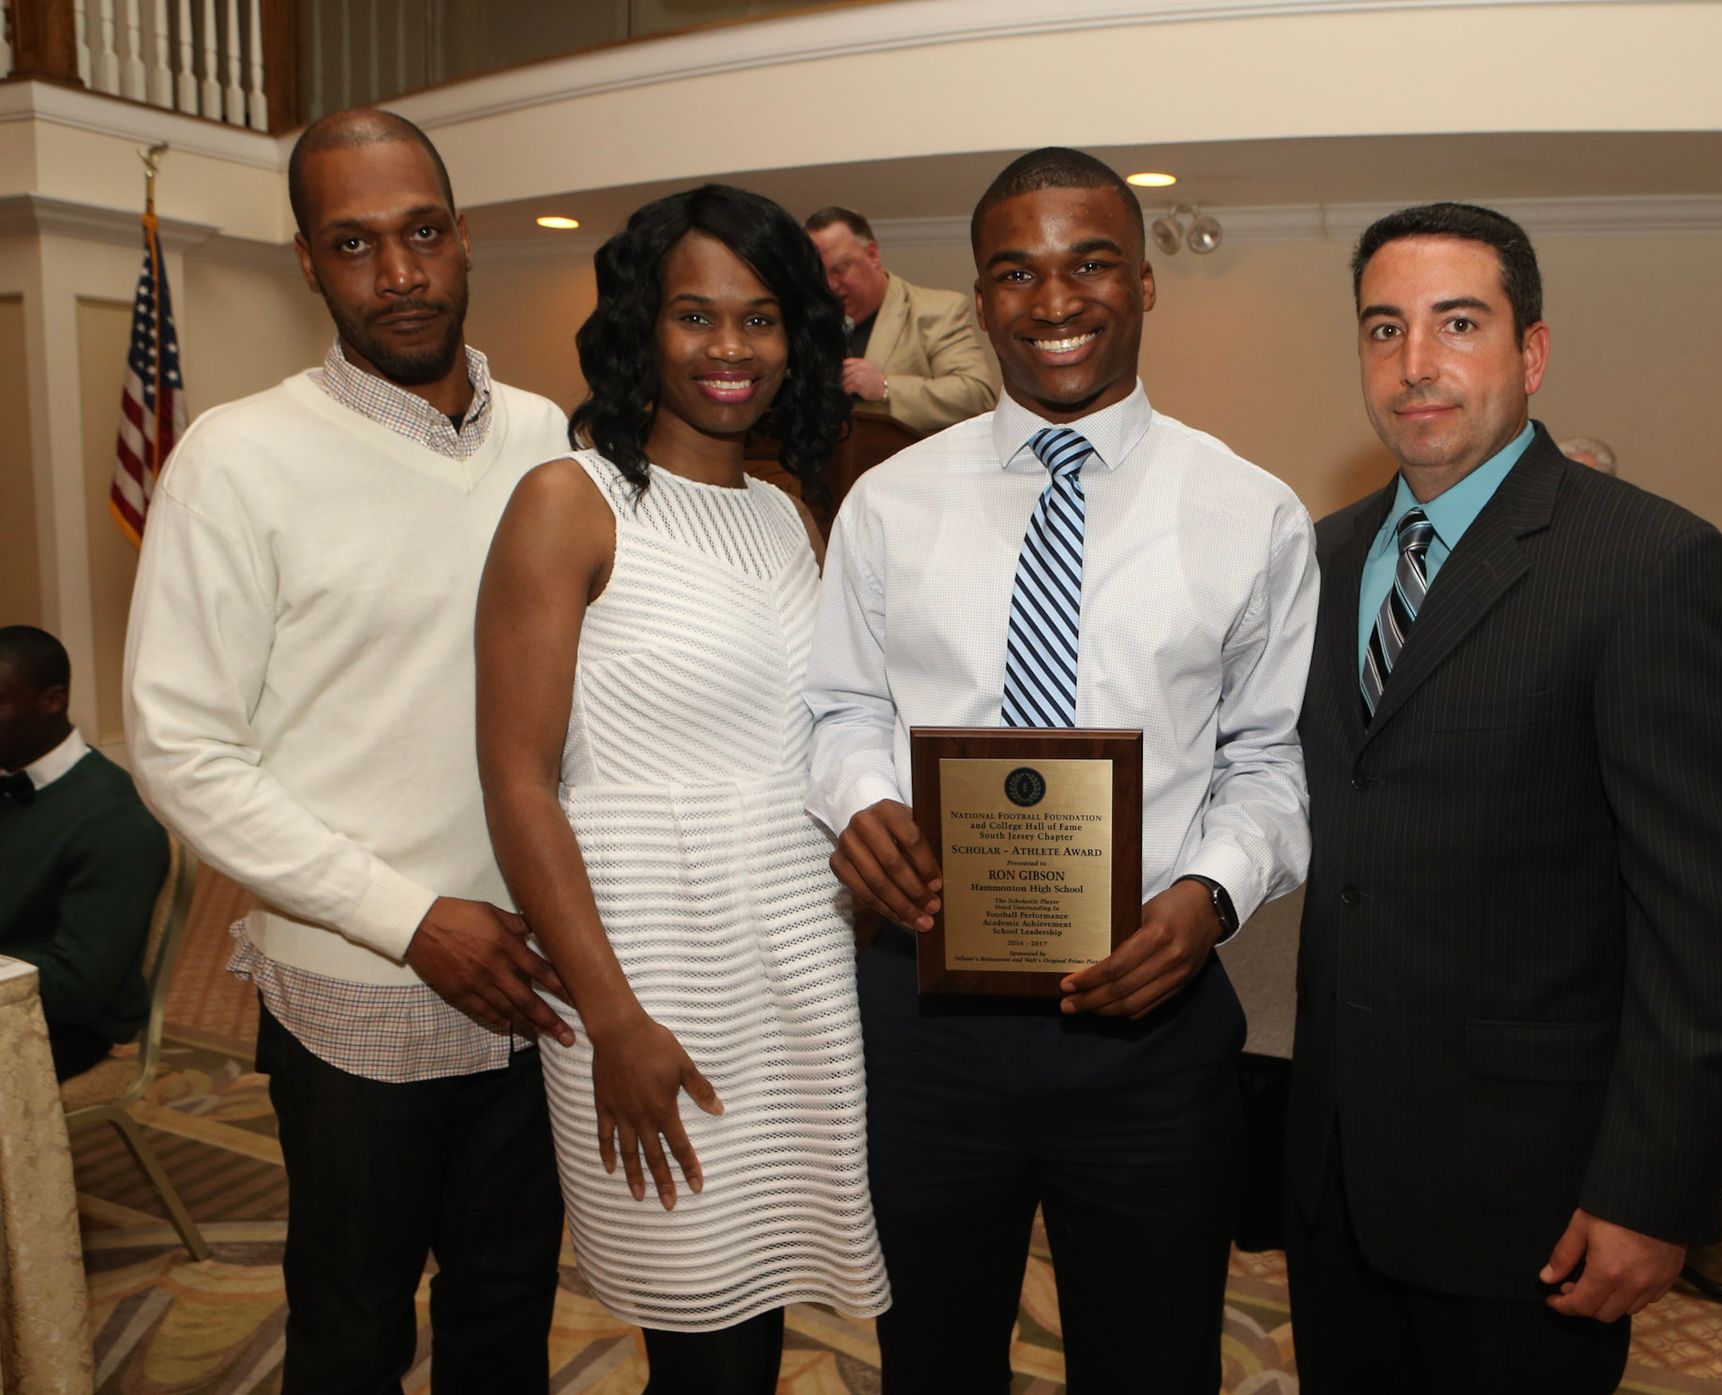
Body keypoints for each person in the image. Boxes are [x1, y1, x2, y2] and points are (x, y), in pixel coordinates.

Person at [805, 147, 1317, 1394]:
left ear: (1144, 284)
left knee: (1151, 1362)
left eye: (1090, 264)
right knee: (932, 1354)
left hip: (1151, 1023)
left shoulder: (1250, 512)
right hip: (927, 1022)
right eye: (1015, 273)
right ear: (979, 302)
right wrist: (861, 801)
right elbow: (836, 708)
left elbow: (1270, 762)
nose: (1055, 301)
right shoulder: (889, 502)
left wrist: (1208, 899)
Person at [1285, 201, 1722, 1393]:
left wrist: (1653, 1192)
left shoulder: (1651, 562)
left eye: (1459, 323)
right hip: (1337, 1171)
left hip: (1533, 1191)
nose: (1416, 365)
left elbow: (1710, 916)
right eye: (1383, 328)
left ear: (1533, 352)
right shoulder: (1321, 556)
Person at [124, 108, 573, 1394]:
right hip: (357, 990)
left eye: (422, 233)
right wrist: (409, 915)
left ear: (464, 236)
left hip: (540, 977)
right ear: (308, 265)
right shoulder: (239, 459)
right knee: (352, 1330)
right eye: (357, 244)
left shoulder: (553, 439)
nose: (401, 272)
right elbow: (183, 752)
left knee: (507, 1314)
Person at [475, 184, 889, 1394]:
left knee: (753, 1338)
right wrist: (611, 1021)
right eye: (695, 317)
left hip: (793, 967)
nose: (729, 350)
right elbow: (517, 784)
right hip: (651, 979)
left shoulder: (785, 510)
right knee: (700, 1337)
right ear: (639, 329)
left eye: (760, 319)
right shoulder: (571, 501)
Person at [0, 626, 168, 1080]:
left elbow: (78, 988)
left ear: (53, 700)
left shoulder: (117, 819)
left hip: (59, 1026)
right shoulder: (9, 781)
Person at [804, 205, 997, 434]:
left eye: (840, 269)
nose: (831, 285)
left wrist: (886, 387)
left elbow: (978, 395)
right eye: (819, 274)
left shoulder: (938, 310)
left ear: (872, 254)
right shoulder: (808, 324)